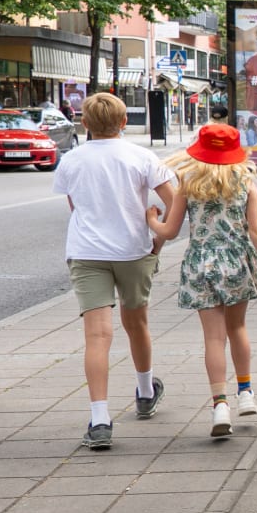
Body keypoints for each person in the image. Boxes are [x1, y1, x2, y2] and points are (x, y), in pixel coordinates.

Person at [53, 92, 176, 450]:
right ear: (124, 123)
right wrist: (159, 237)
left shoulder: (72, 160)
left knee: (97, 336)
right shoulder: (141, 157)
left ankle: (101, 418)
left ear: (85, 124)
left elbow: (74, 205)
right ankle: (144, 391)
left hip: (86, 252)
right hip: (133, 250)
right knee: (137, 323)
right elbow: (174, 200)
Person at [146, 124, 257, 439]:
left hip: (201, 265)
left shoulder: (188, 182)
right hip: (236, 262)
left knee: (213, 339)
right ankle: (245, 391)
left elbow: (170, 231)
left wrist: (152, 220)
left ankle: (219, 404)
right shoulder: (245, 180)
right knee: (238, 328)